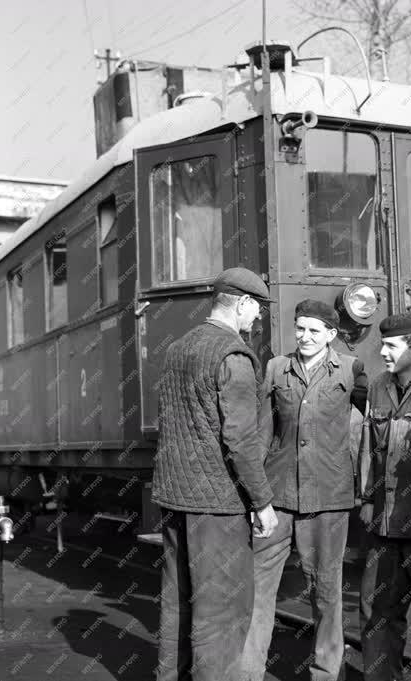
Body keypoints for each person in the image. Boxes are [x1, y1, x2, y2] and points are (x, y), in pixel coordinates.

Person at [152, 267, 279, 681]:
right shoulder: (234, 356)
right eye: (256, 309)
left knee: (177, 603)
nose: (257, 319)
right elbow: (241, 441)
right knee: (221, 611)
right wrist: (262, 502)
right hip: (217, 506)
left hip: (174, 498)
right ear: (241, 303)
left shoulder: (177, 349)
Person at [240, 299, 367, 681]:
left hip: (328, 499)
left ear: (331, 335)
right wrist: (256, 495)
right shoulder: (276, 368)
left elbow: (371, 430)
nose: (305, 336)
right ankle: (248, 673)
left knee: (326, 593)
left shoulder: (352, 369)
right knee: (258, 591)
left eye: (314, 330)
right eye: (300, 328)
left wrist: (361, 482)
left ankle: (326, 673)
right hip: (275, 499)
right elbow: (263, 431)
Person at [357, 312, 411, 681]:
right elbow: (367, 448)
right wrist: (366, 499)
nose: (383, 353)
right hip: (385, 524)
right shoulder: (378, 386)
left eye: (391, 346)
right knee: (377, 614)